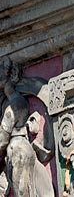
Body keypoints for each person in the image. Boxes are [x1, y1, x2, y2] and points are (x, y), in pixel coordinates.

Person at [0, 57, 53, 197]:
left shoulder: (15, 104)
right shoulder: (10, 102)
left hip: (19, 154)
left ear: (10, 74)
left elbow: (2, 140)